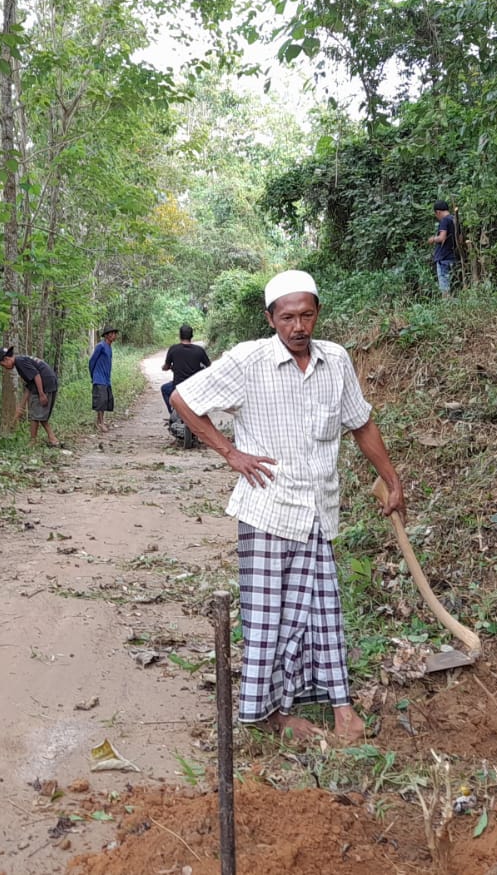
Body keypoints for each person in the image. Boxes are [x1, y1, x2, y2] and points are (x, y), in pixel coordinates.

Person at [172, 270, 404, 744]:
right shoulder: (248, 360)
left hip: (318, 508)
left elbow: (361, 424)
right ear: (270, 318)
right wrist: (230, 453)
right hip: (268, 510)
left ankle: (341, 710)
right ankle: (265, 714)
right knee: (267, 617)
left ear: (317, 313)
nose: (298, 327)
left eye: (307, 315)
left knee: (324, 611)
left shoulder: (335, 360)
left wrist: (391, 477)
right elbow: (183, 398)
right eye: (288, 317)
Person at [0, 346, 61, 447]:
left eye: (3, 365)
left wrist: (41, 394)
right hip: (49, 382)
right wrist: (21, 406)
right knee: (39, 414)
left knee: (35, 415)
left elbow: (36, 376)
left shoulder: (20, 362)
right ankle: (52, 438)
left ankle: (33, 441)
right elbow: (30, 386)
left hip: (44, 384)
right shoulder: (21, 361)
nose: (5, 368)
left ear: (6, 359)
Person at [161, 324, 211, 413]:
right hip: (195, 386)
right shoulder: (199, 350)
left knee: (164, 389)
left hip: (177, 386)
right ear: (192, 336)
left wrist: (168, 367)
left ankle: (172, 412)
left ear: (180, 336)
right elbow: (209, 366)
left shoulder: (173, 349)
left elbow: (166, 367)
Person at [89, 327, 118, 433]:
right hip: (99, 378)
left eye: (115, 333)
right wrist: (93, 376)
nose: (115, 335)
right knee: (100, 401)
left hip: (106, 379)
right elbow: (92, 361)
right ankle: (100, 423)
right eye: (112, 333)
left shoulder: (109, 347)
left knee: (105, 401)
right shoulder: (100, 346)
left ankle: (100, 421)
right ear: (107, 335)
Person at [427, 201, 460, 295]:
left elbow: (442, 237)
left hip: (444, 257)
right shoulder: (454, 219)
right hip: (453, 256)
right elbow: (460, 239)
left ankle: (447, 304)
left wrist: (432, 239)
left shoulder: (445, 220)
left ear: (438, 212)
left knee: (445, 286)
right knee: (454, 286)